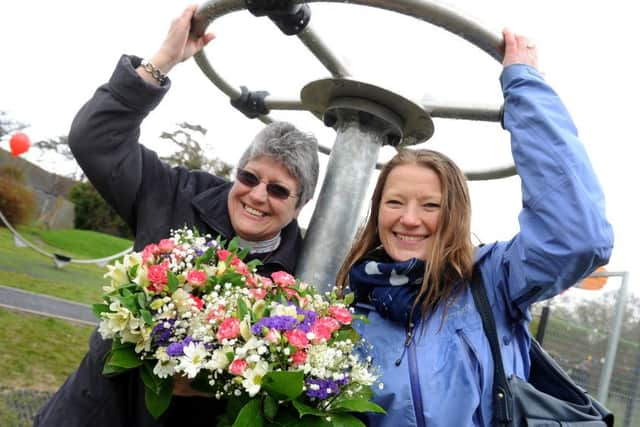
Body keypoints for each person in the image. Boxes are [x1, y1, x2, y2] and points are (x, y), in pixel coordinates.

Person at [34, 5, 319, 427]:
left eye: (278, 190)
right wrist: (162, 60)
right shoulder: (176, 193)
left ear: (298, 206)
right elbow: (95, 140)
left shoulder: (303, 273)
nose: (257, 195)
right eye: (250, 177)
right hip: (93, 412)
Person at [335, 28, 613, 426]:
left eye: (430, 206)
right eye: (395, 202)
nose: (409, 219)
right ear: (377, 210)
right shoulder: (350, 307)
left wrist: (525, 90)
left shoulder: (492, 282)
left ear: (454, 215)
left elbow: (578, 239)